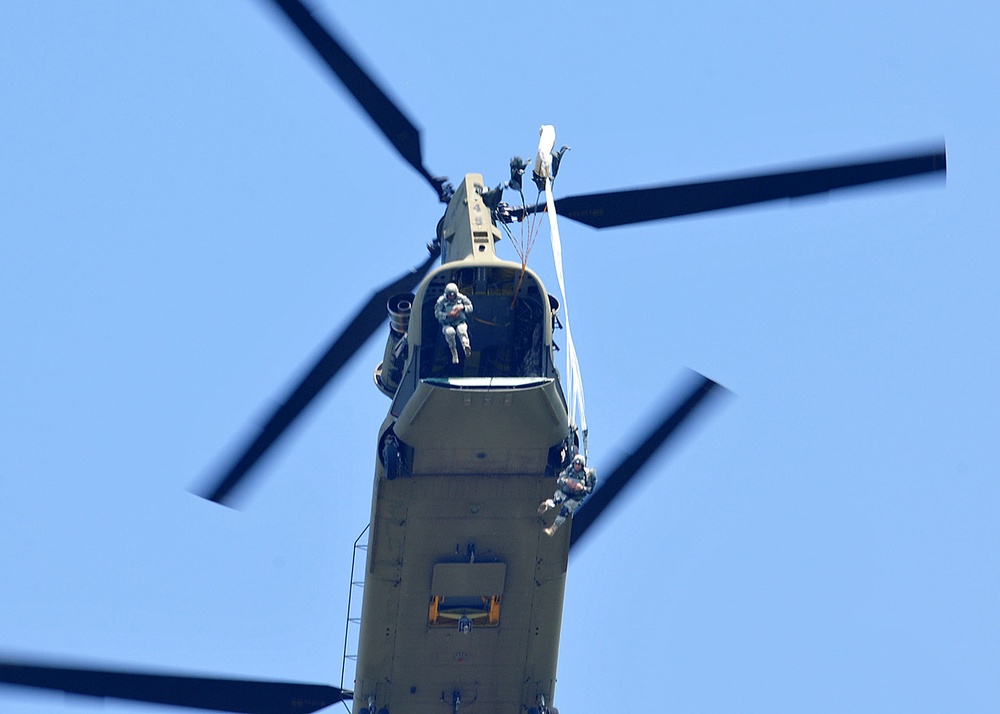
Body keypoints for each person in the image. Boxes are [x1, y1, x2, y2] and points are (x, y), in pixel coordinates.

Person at [537, 454, 596, 536]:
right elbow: (559, 479)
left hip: (576, 498)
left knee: (564, 510)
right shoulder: (569, 469)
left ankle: (553, 529)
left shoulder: (587, 474)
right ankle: (545, 505)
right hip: (566, 492)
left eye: (579, 465)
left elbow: (590, 490)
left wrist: (582, 488)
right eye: (576, 464)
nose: (577, 466)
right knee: (557, 500)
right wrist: (566, 481)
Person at [434, 282, 474, 364]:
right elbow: (437, 313)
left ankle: (466, 346)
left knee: (461, 330)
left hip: (459, 321)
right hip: (447, 324)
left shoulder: (461, 298)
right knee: (450, 333)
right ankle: (454, 352)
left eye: (453, 295)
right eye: (450, 295)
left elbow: (470, 307)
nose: (451, 297)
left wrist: (462, 307)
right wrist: (447, 315)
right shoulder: (441, 301)